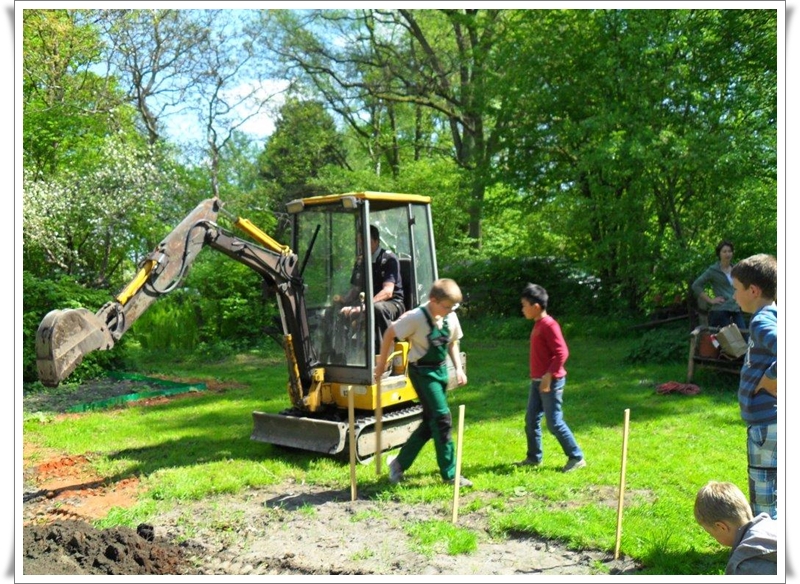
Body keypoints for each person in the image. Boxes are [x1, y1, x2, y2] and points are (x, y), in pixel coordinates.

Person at [374, 278, 471, 487]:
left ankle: (398, 464)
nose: (449, 310)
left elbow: (453, 342)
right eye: (446, 307)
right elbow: (390, 332)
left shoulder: (450, 317)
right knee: (443, 419)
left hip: (441, 371)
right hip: (422, 373)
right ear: (433, 300)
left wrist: (459, 369)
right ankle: (450, 474)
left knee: (430, 423)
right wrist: (382, 364)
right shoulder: (416, 317)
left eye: (452, 307)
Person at [516, 283, 585, 472]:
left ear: (536, 306)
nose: (522, 309)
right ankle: (533, 457)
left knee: (554, 422)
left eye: (524, 305)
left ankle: (576, 456)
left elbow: (562, 352)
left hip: (550, 381)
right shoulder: (539, 324)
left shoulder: (549, 325)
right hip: (537, 381)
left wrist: (549, 375)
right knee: (531, 420)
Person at [731, 254, 778, 519]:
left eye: (736, 289)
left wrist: (771, 377)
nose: (734, 296)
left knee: (765, 494)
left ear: (753, 290)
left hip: (767, 425)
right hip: (772, 422)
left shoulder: (762, 320)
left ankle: (767, 551)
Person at [340, 225, 405, 352]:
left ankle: (381, 356)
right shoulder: (360, 261)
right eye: (359, 242)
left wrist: (363, 307)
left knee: (377, 309)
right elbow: (356, 289)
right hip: (368, 302)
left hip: (392, 303)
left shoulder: (389, 259)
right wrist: (344, 301)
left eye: (365, 242)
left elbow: (388, 292)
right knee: (336, 310)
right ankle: (339, 354)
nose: (361, 246)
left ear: (376, 241)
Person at [693, 480, 778, 575]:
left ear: (721, 527)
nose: (715, 539)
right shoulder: (774, 526)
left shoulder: (743, 565)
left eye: (712, 534)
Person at [692, 240, 746, 329]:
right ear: (719, 254)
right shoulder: (713, 270)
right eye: (724, 251)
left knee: (745, 337)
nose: (727, 254)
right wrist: (710, 300)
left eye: (729, 251)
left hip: (735, 308)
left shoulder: (736, 269)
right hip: (721, 310)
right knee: (727, 340)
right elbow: (696, 285)